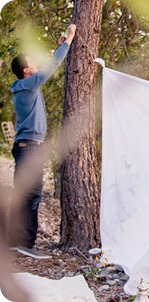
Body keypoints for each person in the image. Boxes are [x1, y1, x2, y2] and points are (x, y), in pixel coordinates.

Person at [8, 24, 77, 260]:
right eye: (32, 62)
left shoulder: (23, 86)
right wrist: (68, 40)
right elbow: (51, 66)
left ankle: (14, 242)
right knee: (33, 195)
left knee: (23, 194)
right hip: (30, 148)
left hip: (25, 146)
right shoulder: (28, 85)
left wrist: (59, 46)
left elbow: (47, 64)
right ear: (27, 70)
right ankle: (25, 244)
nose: (36, 64)